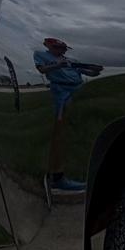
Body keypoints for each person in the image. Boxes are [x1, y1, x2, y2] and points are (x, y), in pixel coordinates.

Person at [32, 37, 101, 197]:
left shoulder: (70, 60)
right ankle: (56, 176)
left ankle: (65, 170)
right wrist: (58, 65)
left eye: (63, 48)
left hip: (77, 90)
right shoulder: (42, 55)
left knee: (73, 131)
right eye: (58, 47)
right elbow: (41, 70)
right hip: (61, 92)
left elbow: (89, 72)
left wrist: (96, 70)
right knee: (60, 131)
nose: (62, 50)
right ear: (49, 47)